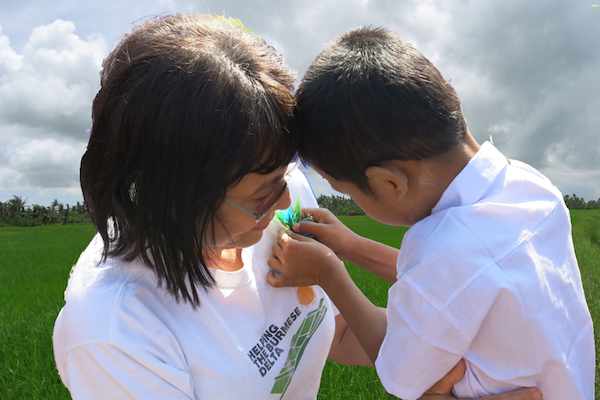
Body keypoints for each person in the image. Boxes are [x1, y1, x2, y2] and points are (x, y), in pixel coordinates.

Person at [52, 13, 543, 400]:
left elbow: (337, 333)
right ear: (177, 196)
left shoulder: (281, 212)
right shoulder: (115, 333)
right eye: (262, 193)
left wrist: (470, 352)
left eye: (285, 174)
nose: (288, 199)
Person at [268, 26, 594, 400]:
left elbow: (397, 365)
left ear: (389, 183)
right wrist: (353, 246)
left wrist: (329, 272)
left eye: (349, 192)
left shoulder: (444, 254)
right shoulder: (531, 188)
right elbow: (455, 282)